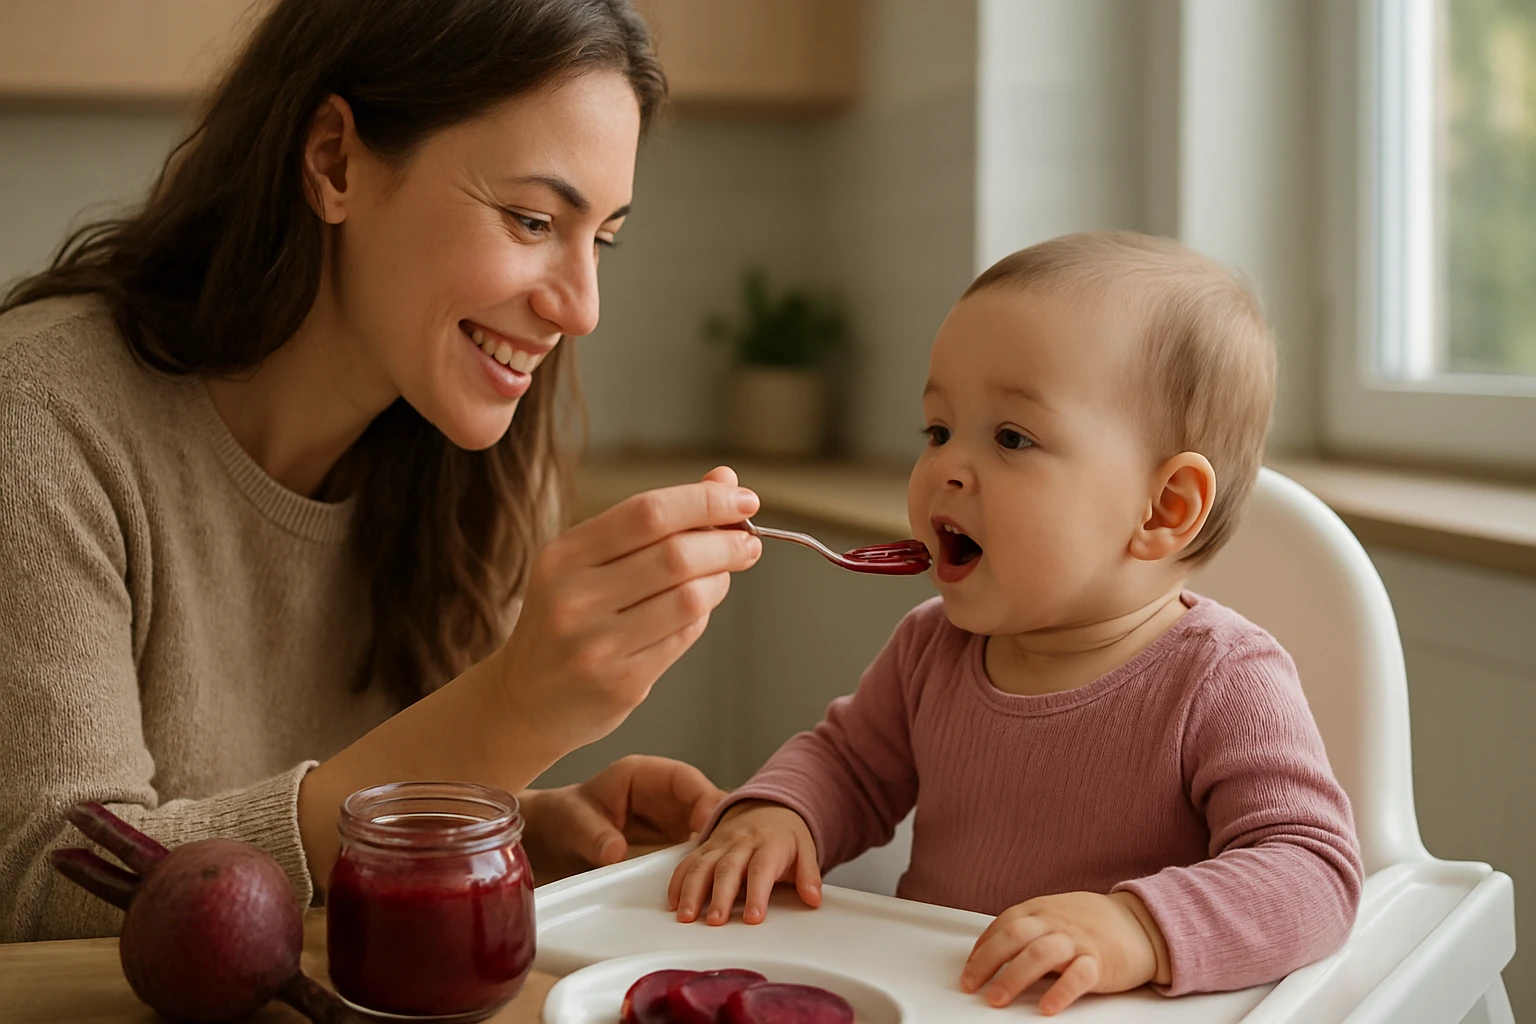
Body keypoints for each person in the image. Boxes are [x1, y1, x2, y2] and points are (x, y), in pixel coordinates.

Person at [0, 0, 764, 942]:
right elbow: (51, 891)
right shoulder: (38, 419)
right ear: (335, 161)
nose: (582, 309)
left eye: (601, 238)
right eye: (532, 220)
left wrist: (512, 829)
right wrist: (509, 715)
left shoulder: (469, 459)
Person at [669, 232, 1364, 1015]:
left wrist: (1138, 929)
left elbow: (1313, 873)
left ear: (1163, 509)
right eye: (937, 431)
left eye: (1011, 438)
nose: (944, 468)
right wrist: (779, 813)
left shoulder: (1221, 679)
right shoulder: (930, 648)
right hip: (926, 1000)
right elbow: (847, 767)